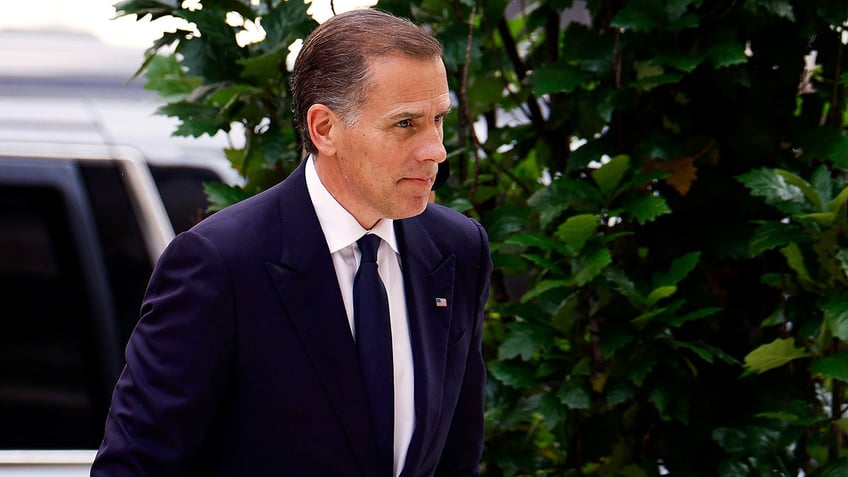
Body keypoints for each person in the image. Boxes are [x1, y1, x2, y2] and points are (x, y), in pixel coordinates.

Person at [91, 8, 493, 477]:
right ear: (325, 128)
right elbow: (137, 466)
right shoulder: (220, 263)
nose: (436, 149)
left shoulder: (458, 248)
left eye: (438, 119)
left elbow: (456, 456)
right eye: (405, 124)